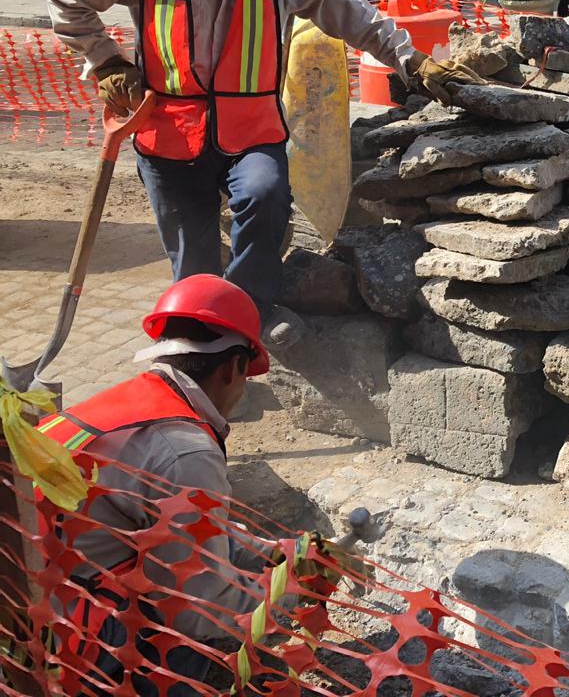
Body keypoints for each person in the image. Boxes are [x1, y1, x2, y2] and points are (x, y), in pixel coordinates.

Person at [47, 0, 485, 348]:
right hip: (169, 132)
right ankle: (202, 353)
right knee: (195, 261)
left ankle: (246, 321)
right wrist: (109, 62)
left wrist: (410, 59)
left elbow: (346, 8)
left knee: (266, 195)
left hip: (250, 129)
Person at [36, 276, 358, 695]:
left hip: (32, 589)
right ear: (233, 368)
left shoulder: (123, 404)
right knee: (187, 642)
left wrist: (279, 555)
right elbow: (197, 609)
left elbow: (186, 525)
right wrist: (293, 595)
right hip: (66, 641)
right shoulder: (186, 451)